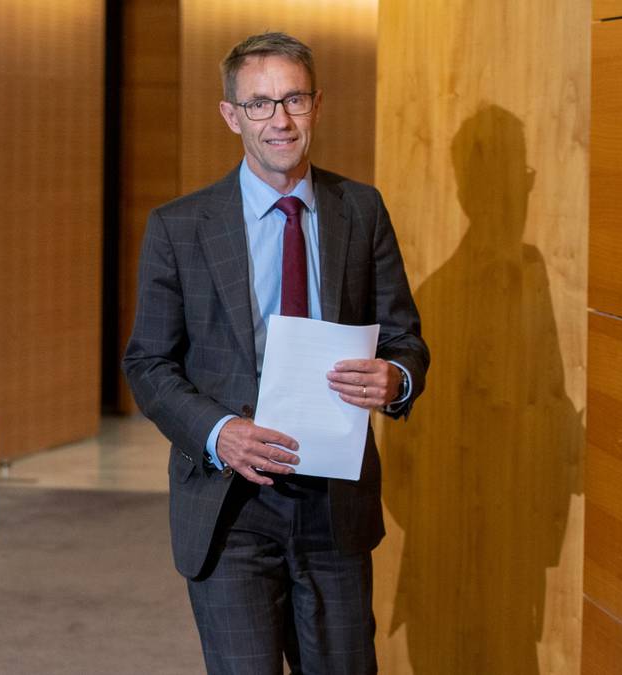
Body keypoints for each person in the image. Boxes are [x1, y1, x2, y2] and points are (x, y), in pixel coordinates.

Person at [123, 32, 429, 674]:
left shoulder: (361, 210)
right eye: (259, 104)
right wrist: (219, 431)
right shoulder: (180, 226)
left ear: (317, 104)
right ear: (231, 115)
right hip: (230, 500)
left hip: (334, 500)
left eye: (293, 99)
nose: (279, 120)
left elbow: (404, 339)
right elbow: (148, 364)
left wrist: (395, 378)